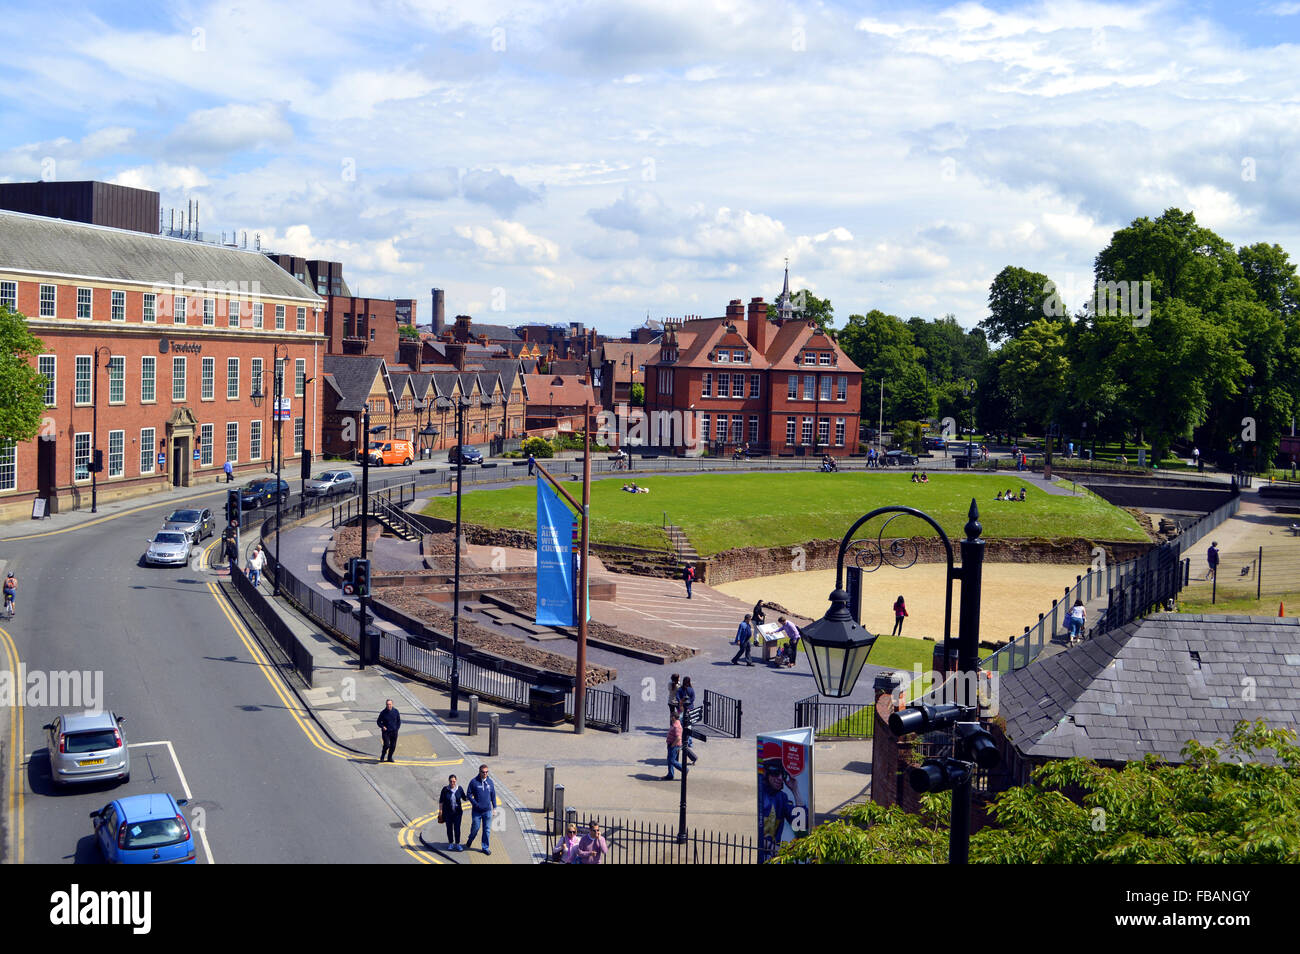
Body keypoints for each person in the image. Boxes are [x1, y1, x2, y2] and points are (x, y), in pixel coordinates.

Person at [758, 757, 797, 864]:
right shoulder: (759, 795)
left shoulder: (782, 797)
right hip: (760, 856)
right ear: (766, 774)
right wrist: (772, 847)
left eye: (783, 774)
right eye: (775, 773)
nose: (780, 778)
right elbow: (753, 835)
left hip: (774, 859)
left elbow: (800, 824)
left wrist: (795, 791)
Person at [465, 763, 497, 854]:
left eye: (487, 772)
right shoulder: (474, 782)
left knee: (486, 830)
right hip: (477, 811)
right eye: (483, 772)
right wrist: (475, 804)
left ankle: (485, 847)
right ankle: (470, 839)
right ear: (479, 772)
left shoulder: (490, 782)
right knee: (475, 828)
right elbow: (469, 794)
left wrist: (494, 807)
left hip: (487, 811)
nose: (485, 774)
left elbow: (493, 795)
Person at [439, 773, 469, 851]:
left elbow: (464, 798)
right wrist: (440, 812)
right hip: (448, 813)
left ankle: (458, 844)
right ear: (449, 781)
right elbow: (441, 801)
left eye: (454, 781)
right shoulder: (445, 789)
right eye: (451, 781)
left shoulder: (459, 789)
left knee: (457, 828)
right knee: (449, 828)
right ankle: (451, 843)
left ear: (456, 781)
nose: (452, 783)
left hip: (458, 813)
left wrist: (471, 796)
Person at [664, 713, 685, 780]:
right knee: (669, 760)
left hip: (674, 746)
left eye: (671, 716)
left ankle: (684, 770)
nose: (670, 717)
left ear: (674, 717)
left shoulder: (676, 726)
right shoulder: (675, 723)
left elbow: (678, 738)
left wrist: (672, 745)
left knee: (672, 761)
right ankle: (670, 775)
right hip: (671, 744)